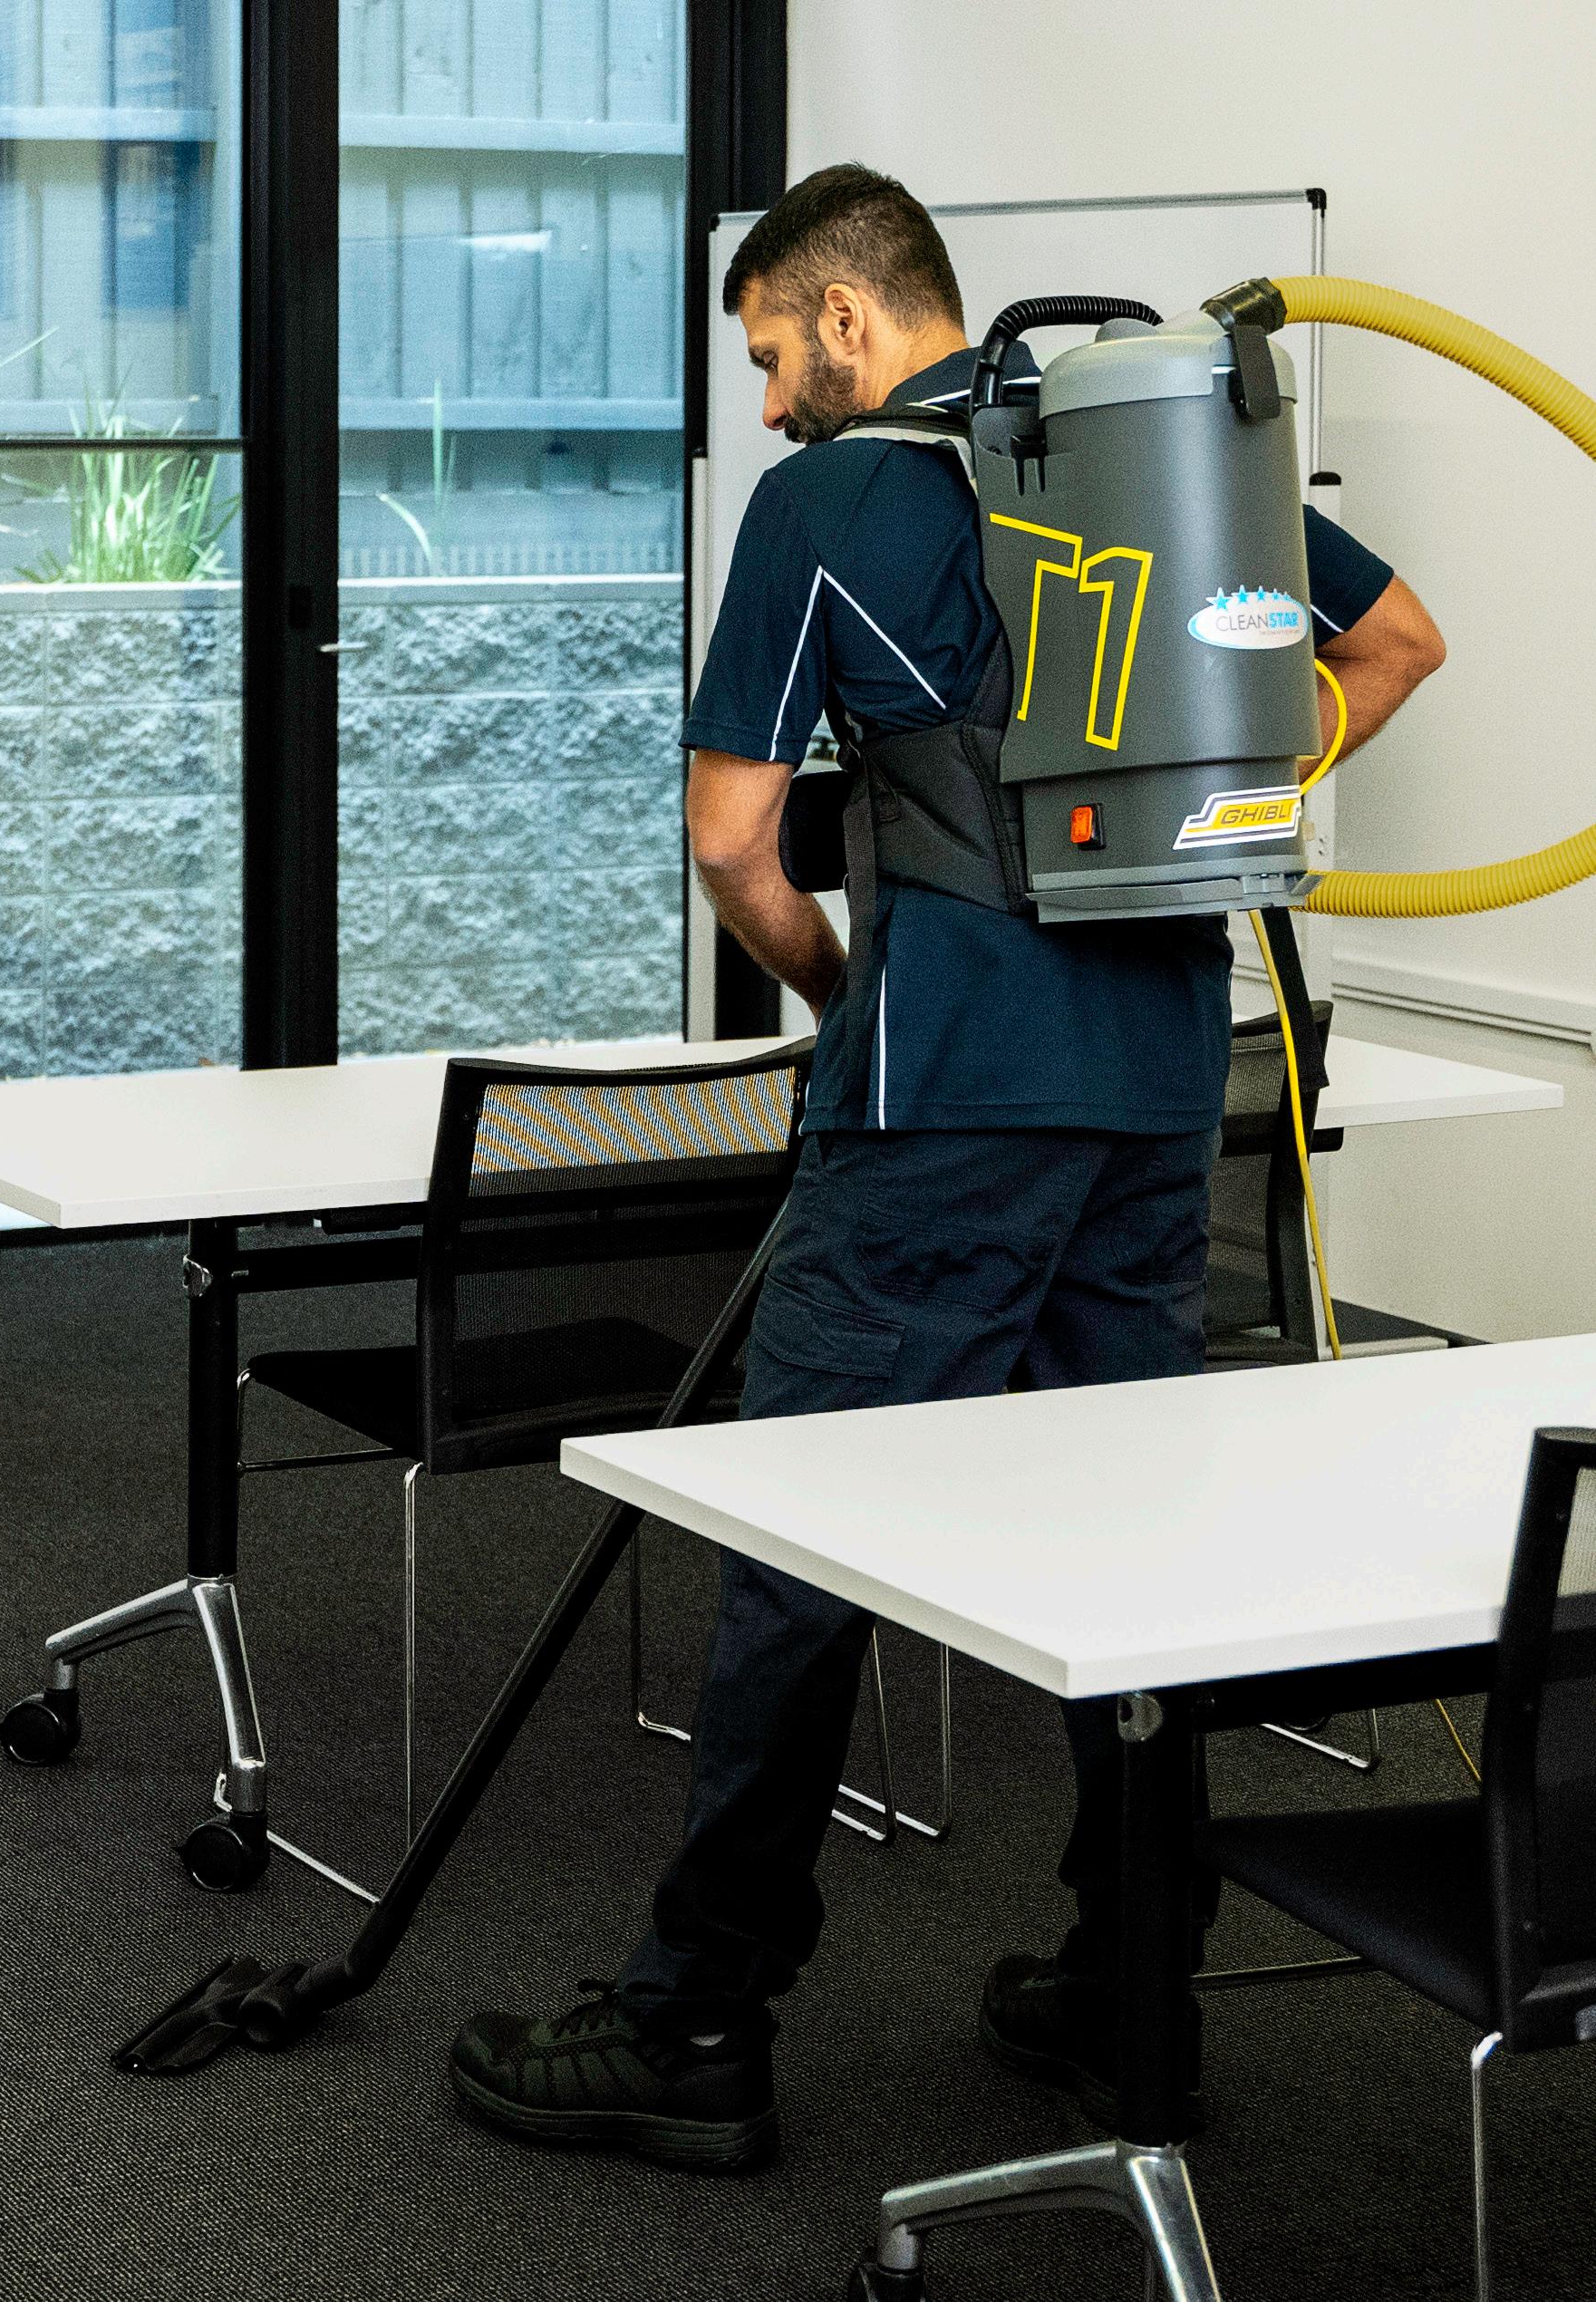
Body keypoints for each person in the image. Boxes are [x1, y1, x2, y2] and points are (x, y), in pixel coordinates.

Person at [449, 164, 1446, 2171]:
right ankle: (1126, 1991)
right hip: (1160, 1090)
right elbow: (1399, 644)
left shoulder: (828, 506)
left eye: (769, 355)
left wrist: (841, 990)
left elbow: (732, 842)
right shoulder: (1157, 455)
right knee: (1130, 1546)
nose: (767, 404)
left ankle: (697, 2018)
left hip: (939, 1102)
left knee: (800, 1546)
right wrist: (1215, 802)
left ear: (845, 312)